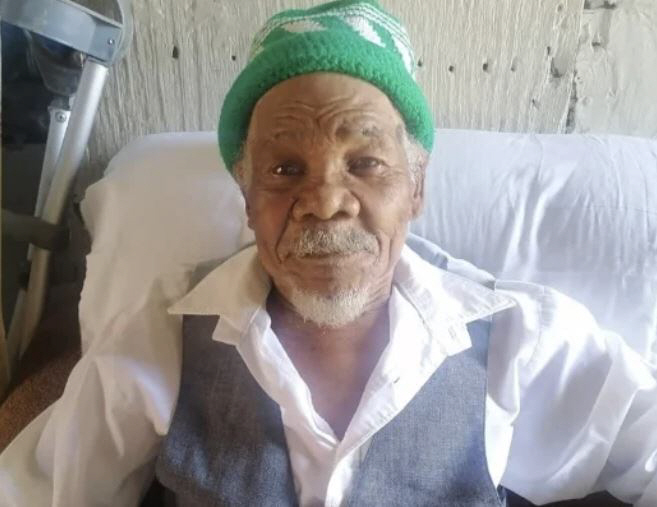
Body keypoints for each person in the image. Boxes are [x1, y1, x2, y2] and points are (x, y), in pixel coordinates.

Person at [1, 1, 656, 506]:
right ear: (246, 195)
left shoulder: (518, 339)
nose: (325, 201)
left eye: (365, 163)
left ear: (415, 188)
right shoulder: (161, 335)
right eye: (285, 169)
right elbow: (43, 491)